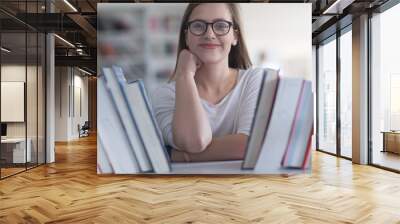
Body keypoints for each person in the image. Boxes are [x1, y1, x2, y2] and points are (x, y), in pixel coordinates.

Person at [151, 3, 265, 162]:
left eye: (221, 25)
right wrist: (185, 75)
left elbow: (251, 145)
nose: (209, 34)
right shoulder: (164, 95)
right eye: (198, 26)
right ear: (186, 37)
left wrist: (177, 156)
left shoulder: (255, 80)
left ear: (235, 36)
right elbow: (195, 141)